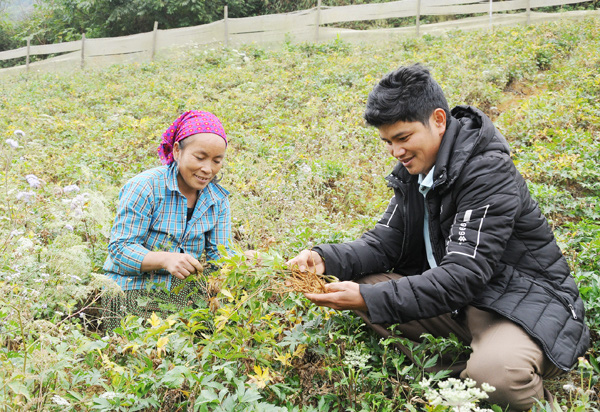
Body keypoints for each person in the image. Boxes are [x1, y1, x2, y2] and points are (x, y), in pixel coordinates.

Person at [287, 64, 590, 411]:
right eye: (388, 142)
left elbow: (463, 275)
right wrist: (325, 258)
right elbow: (386, 242)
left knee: (495, 376)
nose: (396, 152)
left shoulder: (487, 171)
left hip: (519, 305)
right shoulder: (419, 170)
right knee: (361, 282)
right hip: (465, 304)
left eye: (403, 138)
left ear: (439, 120)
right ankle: (467, 376)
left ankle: (497, 374)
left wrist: (371, 299)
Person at [102, 110, 232, 332]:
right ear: (177, 150)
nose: (208, 169)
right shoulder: (145, 187)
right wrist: (164, 259)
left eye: (216, 161)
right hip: (132, 289)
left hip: (182, 292)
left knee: (219, 327)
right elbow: (120, 249)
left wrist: (244, 264)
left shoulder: (217, 199)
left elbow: (219, 257)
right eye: (199, 158)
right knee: (143, 347)